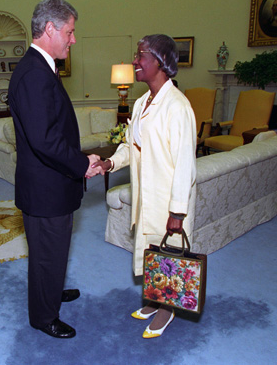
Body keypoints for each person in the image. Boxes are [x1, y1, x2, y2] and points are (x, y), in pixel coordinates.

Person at [7, 0, 100, 339]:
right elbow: (45, 140)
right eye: (70, 32)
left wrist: (79, 160)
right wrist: (81, 164)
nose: (73, 39)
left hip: (51, 182)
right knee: (47, 252)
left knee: (53, 249)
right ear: (50, 28)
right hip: (46, 187)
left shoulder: (41, 67)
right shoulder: (33, 73)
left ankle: (50, 291)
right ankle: (43, 316)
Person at [93, 34, 197, 338]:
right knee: (152, 249)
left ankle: (168, 309)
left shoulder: (177, 107)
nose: (135, 61)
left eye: (141, 55)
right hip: (146, 195)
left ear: (161, 62)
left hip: (168, 199)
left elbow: (186, 166)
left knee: (170, 253)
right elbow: (131, 145)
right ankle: (155, 299)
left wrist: (177, 211)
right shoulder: (141, 103)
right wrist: (109, 163)